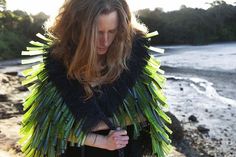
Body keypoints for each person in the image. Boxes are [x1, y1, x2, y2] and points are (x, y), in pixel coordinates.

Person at [19, 0, 172, 157]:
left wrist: (93, 125)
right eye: (97, 32)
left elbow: (149, 115)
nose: (105, 41)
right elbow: (49, 126)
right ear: (77, 29)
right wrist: (101, 141)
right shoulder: (57, 65)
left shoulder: (134, 59)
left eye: (112, 31)